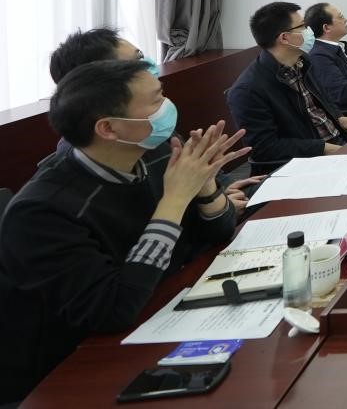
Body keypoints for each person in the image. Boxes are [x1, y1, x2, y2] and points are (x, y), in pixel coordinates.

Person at [0, 59, 248, 403]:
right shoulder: (41, 212)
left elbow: (218, 233)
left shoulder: (156, 151)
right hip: (84, 369)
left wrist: (205, 184)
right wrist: (174, 200)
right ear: (108, 128)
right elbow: (113, 310)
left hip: (170, 312)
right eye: (156, 100)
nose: (167, 107)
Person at [46, 28, 262, 213]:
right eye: (135, 63)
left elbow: (199, 176)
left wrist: (218, 188)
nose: (147, 65)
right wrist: (214, 202)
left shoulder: (147, 130)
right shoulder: (73, 185)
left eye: (141, 56)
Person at [227, 1, 347, 172]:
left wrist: (338, 118)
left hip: (337, 143)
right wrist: (324, 148)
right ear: (284, 38)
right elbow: (265, 148)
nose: (309, 31)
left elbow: (318, 103)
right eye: (303, 26)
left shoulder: (302, 62)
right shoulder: (248, 90)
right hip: (306, 164)